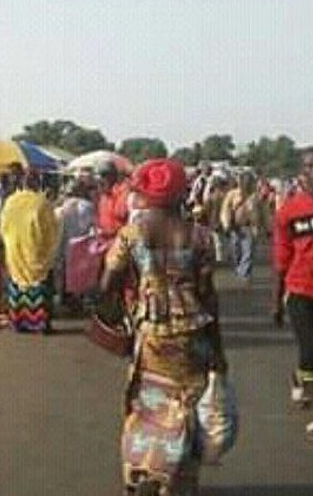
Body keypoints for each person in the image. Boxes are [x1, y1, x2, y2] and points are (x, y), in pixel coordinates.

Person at [100, 159, 227, 494]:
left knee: (147, 407)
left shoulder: (132, 234)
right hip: (193, 338)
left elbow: (107, 281)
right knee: (186, 407)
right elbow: (209, 298)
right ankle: (179, 482)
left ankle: (141, 473)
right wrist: (218, 352)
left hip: (152, 336)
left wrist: (126, 311)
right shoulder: (200, 237)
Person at [273, 146, 313, 442]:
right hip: (301, 290)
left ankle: (300, 375)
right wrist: (276, 302)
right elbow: (282, 259)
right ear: (301, 173)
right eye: (311, 167)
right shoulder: (289, 211)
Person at [0, 170, 60, 333]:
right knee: (40, 288)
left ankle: (19, 322)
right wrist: (51, 251)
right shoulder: (42, 203)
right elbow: (52, 230)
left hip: (16, 252)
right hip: (36, 253)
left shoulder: (10, 202)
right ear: (37, 183)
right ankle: (40, 323)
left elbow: (3, 227)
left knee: (18, 287)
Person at [54, 178, 96, 310]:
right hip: (83, 247)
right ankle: (80, 300)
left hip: (66, 246)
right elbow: (92, 227)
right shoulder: (89, 206)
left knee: (65, 274)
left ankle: (66, 299)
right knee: (82, 275)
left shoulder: (61, 209)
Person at [221, 171, 265, 282]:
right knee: (236, 251)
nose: (247, 183)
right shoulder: (232, 194)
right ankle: (240, 269)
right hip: (235, 227)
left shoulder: (256, 197)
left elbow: (265, 213)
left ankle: (244, 274)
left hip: (250, 227)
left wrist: (268, 228)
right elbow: (225, 210)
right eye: (245, 181)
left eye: (249, 181)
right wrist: (226, 224)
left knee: (248, 252)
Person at [95, 161, 130, 240]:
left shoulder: (123, 192)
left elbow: (121, 214)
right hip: (103, 238)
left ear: (113, 176)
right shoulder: (103, 195)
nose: (101, 179)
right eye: (99, 176)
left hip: (117, 240)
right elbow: (99, 216)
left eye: (104, 175)